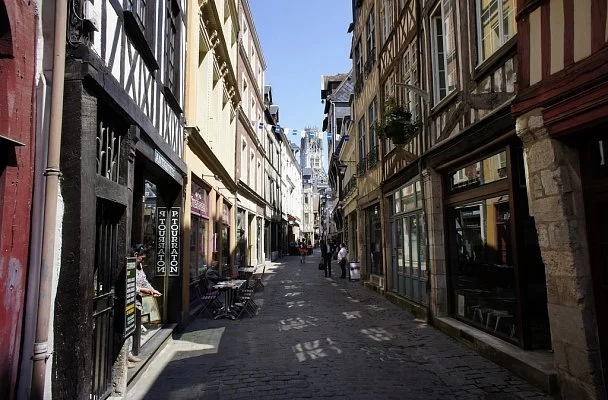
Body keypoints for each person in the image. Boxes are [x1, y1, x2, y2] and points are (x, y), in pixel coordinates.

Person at [129, 251, 161, 367]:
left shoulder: (139, 267)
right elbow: (129, 284)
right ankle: (125, 357)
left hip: (137, 302)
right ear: (135, 254)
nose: (142, 260)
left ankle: (129, 354)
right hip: (129, 300)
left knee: (133, 327)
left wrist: (152, 290)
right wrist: (143, 290)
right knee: (127, 328)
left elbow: (144, 281)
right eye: (141, 258)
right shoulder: (129, 265)